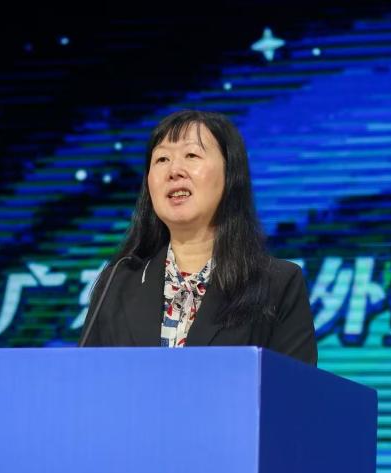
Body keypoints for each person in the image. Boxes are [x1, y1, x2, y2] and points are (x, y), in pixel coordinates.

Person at [79, 110, 317, 365]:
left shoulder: (277, 285)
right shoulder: (116, 283)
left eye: (191, 155)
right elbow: (84, 379)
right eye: (162, 159)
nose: (174, 171)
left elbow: (295, 387)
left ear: (230, 174)